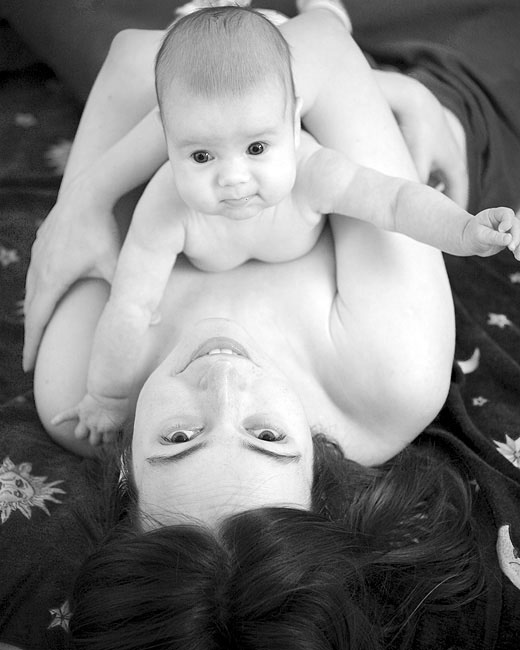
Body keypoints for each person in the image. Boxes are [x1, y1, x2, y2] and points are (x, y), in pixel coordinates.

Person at [47, 7, 519, 444]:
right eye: (201, 156)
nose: (233, 178)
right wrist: (106, 399)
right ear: (166, 144)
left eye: (256, 149)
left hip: (299, 56)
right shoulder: (167, 208)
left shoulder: (312, 173)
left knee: (329, 36)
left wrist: (463, 231)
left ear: (294, 125)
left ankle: (326, 16)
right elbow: (128, 310)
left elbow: (395, 201)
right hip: (218, 67)